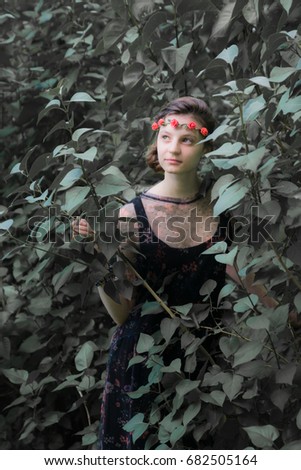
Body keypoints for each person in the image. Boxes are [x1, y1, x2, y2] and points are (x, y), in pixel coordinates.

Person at [71, 97, 279, 449]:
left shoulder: (223, 214)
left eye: (187, 139)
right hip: (141, 361)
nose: (174, 148)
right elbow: (122, 313)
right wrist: (103, 254)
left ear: (207, 147)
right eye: (166, 137)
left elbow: (249, 284)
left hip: (203, 361)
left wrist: (290, 315)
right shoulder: (129, 215)